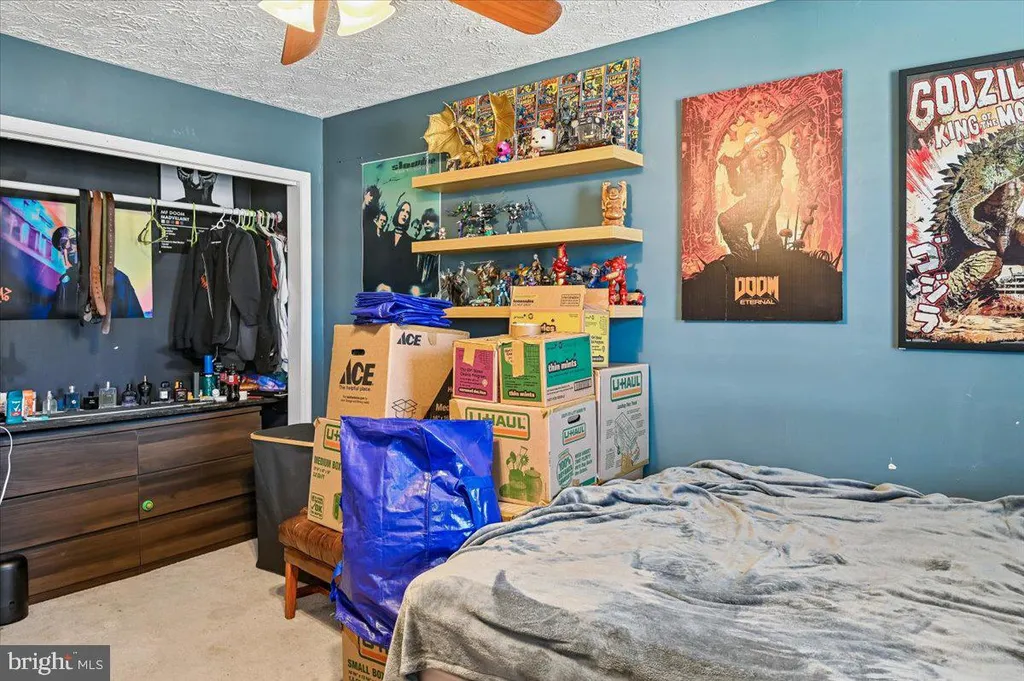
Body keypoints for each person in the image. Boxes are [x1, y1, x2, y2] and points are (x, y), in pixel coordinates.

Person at [717, 127, 786, 259]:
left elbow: (770, 182)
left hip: (761, 200)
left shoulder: (768, 150)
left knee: (727, 220)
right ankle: (747, 257)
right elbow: (738, 190)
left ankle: (746, 258)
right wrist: (731, 168)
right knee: (766, 239)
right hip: (756, 200)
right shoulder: (748, 158)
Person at [48, 226, 142, 319]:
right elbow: (53, 321)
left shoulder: (116, 278)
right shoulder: (63, 285)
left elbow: (136, 321)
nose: (68, 247)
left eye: (74, 241)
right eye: (63, 244)